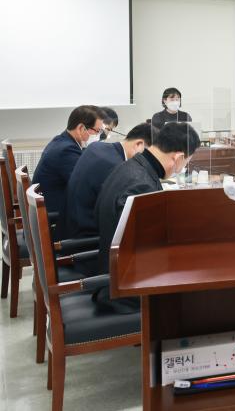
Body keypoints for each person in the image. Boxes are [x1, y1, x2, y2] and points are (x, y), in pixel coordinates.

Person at [94, 122, 200, 313]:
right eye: (186, 163)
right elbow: (147, 251)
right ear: (178, 157)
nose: (182, 168)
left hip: (114, 274)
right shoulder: (141, 186)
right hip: (124, 291)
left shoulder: (130, 167)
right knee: (197, 286)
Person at [66, 123, 154, 242]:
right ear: (139, 145)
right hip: (86, 237)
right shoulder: (118, 168)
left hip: (71, 221)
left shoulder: (97, 147)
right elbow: (117, 218)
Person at [32, 105, 105, 239]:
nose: (99, 136)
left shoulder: (62, 141)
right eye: (97, 131)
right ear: (81, 128)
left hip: (52, 214)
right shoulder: (66, 151)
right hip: (54, 224)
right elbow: (86, 187)